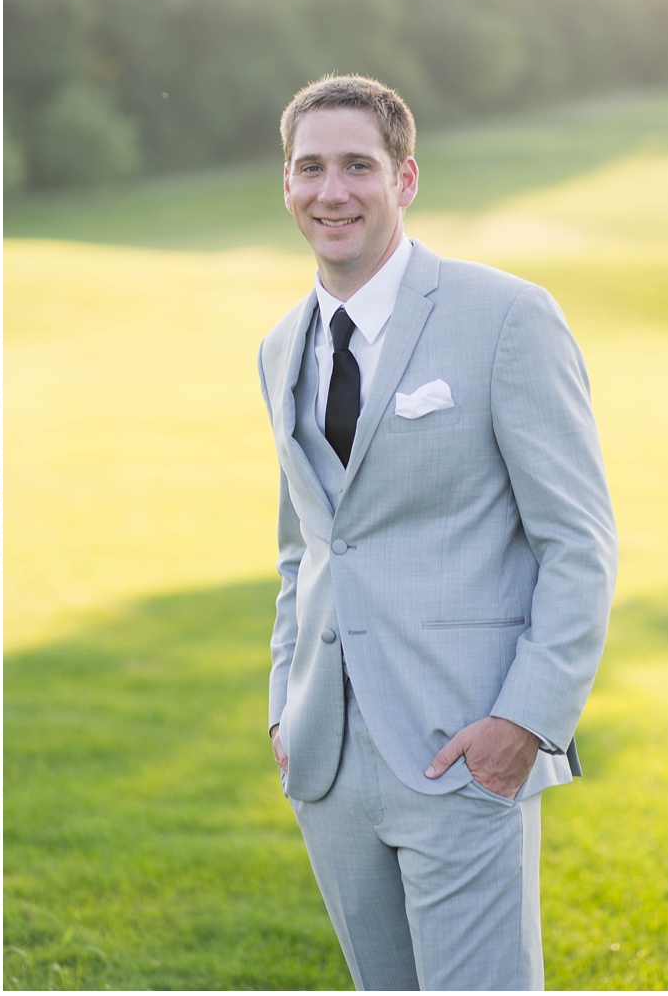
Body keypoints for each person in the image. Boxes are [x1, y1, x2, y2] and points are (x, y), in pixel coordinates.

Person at [257, 73, 616, 990]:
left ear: (405, 179)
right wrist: (282, 709)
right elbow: (306, 546)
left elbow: (578, 542)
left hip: (465, 748)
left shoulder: (505, 316)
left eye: (357, 166)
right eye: (310, 168)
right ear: (287, 183)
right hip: (328, 760)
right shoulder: (280, 345)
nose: (331, 191)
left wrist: (524, 723)